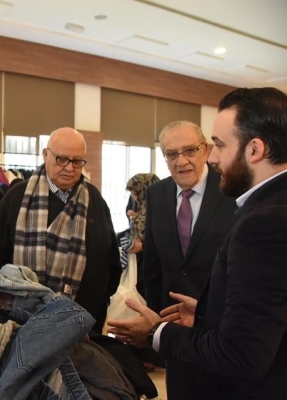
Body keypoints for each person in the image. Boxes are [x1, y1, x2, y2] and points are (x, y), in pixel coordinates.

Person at [107, 87, 287, 399]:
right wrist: (207, 311)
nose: (214, 157)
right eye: (171, 154)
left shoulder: (263, 221)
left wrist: (157, 332)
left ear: (255, 149)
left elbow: (244, 352)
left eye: (219, 145)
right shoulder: (273, 205)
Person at [0, 127, 121, 333]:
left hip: (82, 323)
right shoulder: (17, 197)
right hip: (21, 322)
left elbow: (111, 262)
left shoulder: (94, 200)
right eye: (61, 159)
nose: (69, 168)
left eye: (77, 161)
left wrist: (100, 302)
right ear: (45, 155)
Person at [143, 121, 237, 314]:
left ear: (205, 151)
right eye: (172, 154)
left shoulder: (232, 191)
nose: (181, 161)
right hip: (168, 314)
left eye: (189, 151)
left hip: (217, 316)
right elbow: (152, 264)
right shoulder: (156, 194)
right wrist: (154, 319)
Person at [119, 173, 160, 295]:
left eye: (135, 193)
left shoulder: (159, 210)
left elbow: (164, 240)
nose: (133, 196)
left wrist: (142, 246)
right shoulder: (144, 208)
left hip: (152, 265)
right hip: (140, 262)